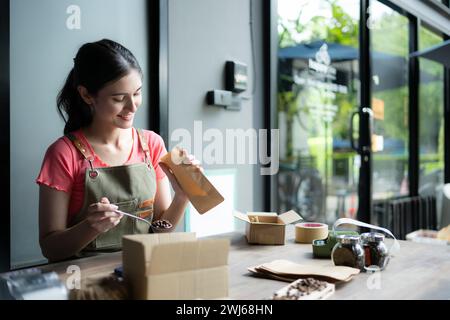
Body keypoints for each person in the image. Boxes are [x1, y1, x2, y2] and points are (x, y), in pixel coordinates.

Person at [36, 39, 200, 262]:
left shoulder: (151, 144)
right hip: (84, 282)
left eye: (137, 93)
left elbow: (159, 231)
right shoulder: (63, 153)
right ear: (86, 95)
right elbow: (51, 249)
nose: (132, 106)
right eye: (119, 98)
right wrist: (91, 227)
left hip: (141, 272)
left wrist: (181, 197)